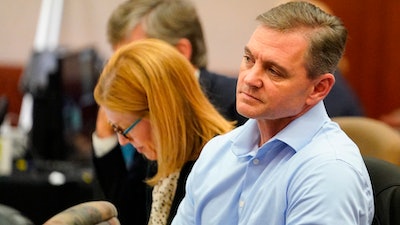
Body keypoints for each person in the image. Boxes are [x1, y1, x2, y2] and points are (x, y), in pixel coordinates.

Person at [172, 2, 374, 225]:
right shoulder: (218, 151)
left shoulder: (329, 172)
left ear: (318, 88)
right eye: (249, 59)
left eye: (273, 71)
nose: (249, 79)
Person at [92, 0, 245, 224]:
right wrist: (109, 130)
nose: (122, 74)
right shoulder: (154, 135)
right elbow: (130, 213)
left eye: (138, 55)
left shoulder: (239, 110)